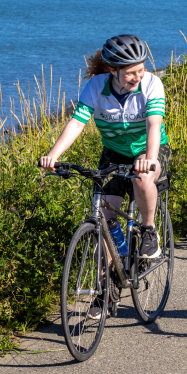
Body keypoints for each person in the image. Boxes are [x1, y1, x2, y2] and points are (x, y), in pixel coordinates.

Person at [40, 35, 172, 314]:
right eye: (131, 72)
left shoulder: (151, 84)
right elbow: (77, 123)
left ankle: (148, 231)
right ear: (113, 70)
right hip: (114, 152)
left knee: (142, 178)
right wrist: (54, 155)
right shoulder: (96, 88)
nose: (139, 75)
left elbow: (153, 125)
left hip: (149, 150)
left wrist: (148, 159)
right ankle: (106, 289)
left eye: (141, 68)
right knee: (103, 219)